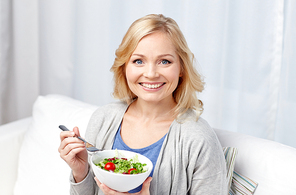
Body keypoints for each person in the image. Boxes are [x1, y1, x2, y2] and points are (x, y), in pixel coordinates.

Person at [59, 14, 227, 195]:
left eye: (165, 61)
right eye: (138, 61)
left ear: (182, 68)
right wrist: (80, 172)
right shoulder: (103, 118)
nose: (151, 73)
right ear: (124, 67)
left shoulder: (198, 138)